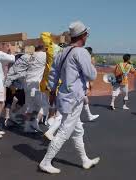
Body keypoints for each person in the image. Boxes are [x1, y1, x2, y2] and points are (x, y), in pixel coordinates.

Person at [39, 21, 100, 174]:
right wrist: (92, 65)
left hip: (64, 95)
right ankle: (46, 162)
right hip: (75, 97)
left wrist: (52, 92)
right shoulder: (81, 52)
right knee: (65, 131)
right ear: (83, 36)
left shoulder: (62, 51)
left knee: (78, 130)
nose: (88, 36)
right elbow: (91, 74)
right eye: (87, 34)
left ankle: (85, 160)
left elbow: (53, 74)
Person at [24, 45, 49, 133]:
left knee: (29, 106)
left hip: (27, 84)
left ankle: (26, 126)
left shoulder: (30, 56)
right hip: (36, 84)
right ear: (43, 49)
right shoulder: (43, 55)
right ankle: (36, 122)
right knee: (45, 105)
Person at [4, 53, 27, 127]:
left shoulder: (13, 62)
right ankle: (8, 117)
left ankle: (10, 115)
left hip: (15, 85)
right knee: (11, 100)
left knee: (15, 100)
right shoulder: (16, 63)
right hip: (15, 85)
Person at [83, 47, 99, 121]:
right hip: (83, 82)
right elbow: (91, 71)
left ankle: (88, 115)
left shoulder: (82, 58)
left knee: (84, 99)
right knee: (82, 99)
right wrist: (91, 82)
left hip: (82, 81)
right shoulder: (90, 59)